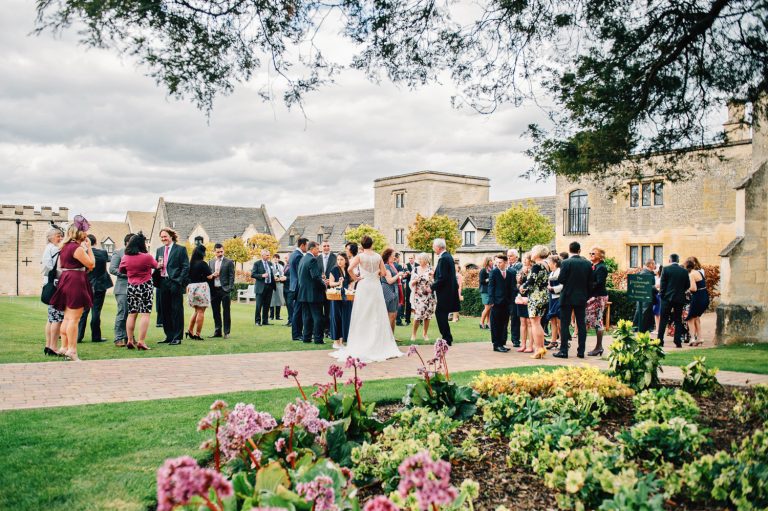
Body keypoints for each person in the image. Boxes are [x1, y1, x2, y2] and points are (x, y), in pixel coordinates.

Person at [331, 235, 403, 362]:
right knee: (377, 313)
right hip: (375, 285)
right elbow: (384, 273)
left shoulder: (360, 256)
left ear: (362, 245)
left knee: (362, 313)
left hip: (364, 285)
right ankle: (378, 343)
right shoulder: (378, 256)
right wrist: (375, 274)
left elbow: (349, 268)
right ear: (372, 244)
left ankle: (362, 341)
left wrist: (356, 278)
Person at [49, 216, 95, 361]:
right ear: (79, 234)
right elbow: (91, 264)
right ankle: (72, 350)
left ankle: (64, 347)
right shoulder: (77, 248)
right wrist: (89, 248)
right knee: (74, 319)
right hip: (76, 281)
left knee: (67, 318)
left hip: (66, 280)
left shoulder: (64, 247)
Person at [553, 241, 593, 359]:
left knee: (565, 324)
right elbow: (590, 282)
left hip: (567, 296)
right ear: (579, 250)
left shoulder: (566, 262)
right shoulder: (587, 263)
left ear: (569, 250)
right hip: (581, 297)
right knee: (581, 324)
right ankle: (581, 351)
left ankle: (564, 351)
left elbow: (561, 279)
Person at [119, 233, 157, 350]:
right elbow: (156, 266)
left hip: (131, 286)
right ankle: (141, 341)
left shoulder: (125, 257)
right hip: (145, 286)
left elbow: (122, 270)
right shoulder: (147, 257)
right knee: (145, 314)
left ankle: (130, 340)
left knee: (132, 313)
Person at [156, 227, 189, 346]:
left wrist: (179, 280)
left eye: (165, 236)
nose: (163, 238)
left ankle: (177, 337)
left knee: (177, 310)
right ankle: (169, 336)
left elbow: (186, 267)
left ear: (171, 236)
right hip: (163, 282)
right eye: (162, 237)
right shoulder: (159, 250)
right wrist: (157, 266)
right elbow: (156, 265)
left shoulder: (180, 249)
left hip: (175, 282)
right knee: (165, 310)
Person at [77, 234, 113, 343]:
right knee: (96, 311)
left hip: (87, 285)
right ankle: (96, 336)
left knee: (84, 312)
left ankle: (79, 336)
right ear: (96, 243)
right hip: (100, 285)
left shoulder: (83, 253)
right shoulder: (103, 253)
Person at [522, 246, 551, 358]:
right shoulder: (546, 265)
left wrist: (522, 287)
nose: (531, 253)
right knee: (538, 322)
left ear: (537, 254)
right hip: (544, 295)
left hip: (536, 296)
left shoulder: (537, 266)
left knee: (535, 323)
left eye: (533, 251)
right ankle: (541, 348)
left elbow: (531, 281)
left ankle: (538, 348)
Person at [430, 238, 460, 346]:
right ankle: (447, 337)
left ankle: (446, 338)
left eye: (434, 247)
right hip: (448, 291)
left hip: (444, 293)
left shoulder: (443, 258)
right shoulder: (448, 257)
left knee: (440, 313)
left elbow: (442, 278)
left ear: (438, 247)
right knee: (441, 314)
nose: (433, 249)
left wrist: (431, 287)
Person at [657, 253, 690, 348]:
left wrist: (662, 296)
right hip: (679, 298)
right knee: (678, 320)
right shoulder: (684, 271)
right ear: (678, 260)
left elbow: (662, 285)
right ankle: (677, 341)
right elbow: (687, 285)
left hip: (666, 298)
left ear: (669, 260)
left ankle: (660, 341)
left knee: (663, 320)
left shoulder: (666, 269)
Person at [41, 226, 64, 356]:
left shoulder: (48, 248)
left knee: (50, 318)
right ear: (50, 237)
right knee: (56, 318)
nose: (60, 238)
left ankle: (48, 345)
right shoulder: (55, 249)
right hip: (55, 286)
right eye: (58, 236)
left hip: (48, 284)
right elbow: (55, 269)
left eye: (61, 236)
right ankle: (53, 347)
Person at [109, 233, 135, 347]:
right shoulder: (119, 252)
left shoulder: (138, 253)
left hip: (135, 287)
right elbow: (112, 269)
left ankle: (129, 338)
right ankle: (118, 338)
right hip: (122, 288)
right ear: (127, 242)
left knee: (132, 314)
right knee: (123, 313)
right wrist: (128, 274)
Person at [298, 241, 325, 343]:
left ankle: (306, 337)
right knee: (318, 316)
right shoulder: (313, 260)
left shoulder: (303, 259)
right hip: (313, 293)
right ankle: (318, 339)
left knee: (307, 316)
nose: (319, 251)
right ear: (312, 249)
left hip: (303, 293)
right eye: (318, 249)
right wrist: (324, 284)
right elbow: (315, 277)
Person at [488, 254, 515, 352]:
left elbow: (512, 288)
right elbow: (491, 287)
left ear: (506, 262)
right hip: (496, 302)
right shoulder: (494, 272)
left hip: (507, 303)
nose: (498, 264)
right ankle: (496, 344)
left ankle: (502, 343)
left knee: (504, 323)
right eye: (497, 262)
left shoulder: (511, 273)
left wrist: (513, 301)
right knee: (496, 324)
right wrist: (491, 301)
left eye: (500, 262)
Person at [185, 245, 213, 340]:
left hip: (192, 287)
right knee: (201, 311)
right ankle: (197, 334)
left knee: (196, 310)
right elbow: (209, 276)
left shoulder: (190, 263)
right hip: (201, 287)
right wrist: (214, 274)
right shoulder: (202, 263)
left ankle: (189, 330)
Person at [586, 247, 609, 356]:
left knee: (599, 320)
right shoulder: (594, 266)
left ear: (600, 256)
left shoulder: (601, 268)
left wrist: (587, 286)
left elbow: (599, 283)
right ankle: (598, 347)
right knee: (594, 320)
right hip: (593, 296)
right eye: (590, 253)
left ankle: (599, 347)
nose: (591, 255)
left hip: (599, 297)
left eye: (593, 253)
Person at [327, 252, 354, 349]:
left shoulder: (348, 270)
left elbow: (352, 281)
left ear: (346, 260)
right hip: (336, 296)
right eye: (338, 259)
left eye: (341, 259)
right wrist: (339, 282)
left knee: (346, 318)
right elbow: (330, 283)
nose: (339, 261)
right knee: (336, 318)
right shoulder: (334, 269)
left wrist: (351, 287)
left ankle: (342, 341)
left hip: (347, 297)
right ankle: (336, 341)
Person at [208, 243, 235, 339]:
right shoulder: (210, 262)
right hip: (214, 290)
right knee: (215, 312)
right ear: (214, 252)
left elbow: (232, 276)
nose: (220, 253)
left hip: (224, 290)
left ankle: (226, 332)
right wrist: (213, 275)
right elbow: (208, 275)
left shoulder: (229, 262)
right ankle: (217, 331)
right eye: (218, 252)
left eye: (221, 251)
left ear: (223, 251)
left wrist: (229, 288)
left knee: (226, 311)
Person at [409, 252, 436, 341]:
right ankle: (413, 334)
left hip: (428, 296)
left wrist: (431, 282)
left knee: (427, 316)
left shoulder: (431, 269)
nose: (419, 261)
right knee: (417, 316)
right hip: (418, 296)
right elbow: (411, 283)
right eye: (419, 259)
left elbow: (434, 282)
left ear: (426, 260)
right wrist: (415, 281)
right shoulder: (415, 269)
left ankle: (425, 334)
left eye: (421, 259)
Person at [685, 256, 708, 346]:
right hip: (704, 296)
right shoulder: (699, 272)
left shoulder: (691, 274)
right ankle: (700, 338)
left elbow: (693, 288)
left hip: (698, 297)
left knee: (690, 318)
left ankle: (692, 338)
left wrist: (686, 289)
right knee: (696, 318)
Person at [288, 238, 308, 340]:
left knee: (297, 310)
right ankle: (297, 335)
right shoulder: (298, 256)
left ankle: (297, 334)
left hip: (293, 286)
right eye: (307, 245)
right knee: (298, 311)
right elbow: (300, 274)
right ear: (302, 245)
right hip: (298, 287)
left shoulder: (293, 254)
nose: (307, 248)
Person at [381, 248, 403, 335]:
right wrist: (398, 274)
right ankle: (387, 337)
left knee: (393, 316)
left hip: (394, 290)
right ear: (388, 255)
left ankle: (391, 337)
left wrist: (400, 275)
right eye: (393, 254)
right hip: (388, 291)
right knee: (389, 316)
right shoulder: (386, 266)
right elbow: (389, 280)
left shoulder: (392, 265)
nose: (395, 256)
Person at [633, 259, 658, 334]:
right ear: (650, 264)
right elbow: (645, 286)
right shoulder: (645, 273)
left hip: (645, 297)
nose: (655, 266)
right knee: (644, 314)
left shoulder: (647, 272)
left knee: (643, 313)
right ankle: (641, 331)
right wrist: (656, 287)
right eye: (654, 264)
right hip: (645, 298)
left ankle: (639, 329)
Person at [318, 241, 337, 336]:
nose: (326, 248)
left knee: (329, 310)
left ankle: (329, 330)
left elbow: (338, 272)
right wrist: (321, 279)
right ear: (321, 247)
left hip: (331, 288)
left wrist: (331, 280)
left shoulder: (335, 258)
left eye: (328, 246)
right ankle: (322, 329)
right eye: (324, 246)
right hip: (320, 288)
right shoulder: (317, 258)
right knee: (320, 310)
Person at [252, 249, 276, 326]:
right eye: (267, 255)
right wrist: (262, 275)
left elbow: (271, 274)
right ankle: (257, 321)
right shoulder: (257, 263)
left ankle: (265, 321)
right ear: (262, 255)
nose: (269, 256)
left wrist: (274, 278)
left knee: (267, 305)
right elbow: (253, 274)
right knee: (259, 305)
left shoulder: (270, 263)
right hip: (261, 287)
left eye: (269, 255)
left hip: (269, 287)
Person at [515, 252, 533, 353]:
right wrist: (518, 283)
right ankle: (523, 345)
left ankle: (530, 345)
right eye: (524, 259)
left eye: (526, 258)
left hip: (530, 298)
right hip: (521, 299)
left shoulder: (533, 271)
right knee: (522, 322)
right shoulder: (521, 271)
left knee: (529, 322)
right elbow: (517, 285)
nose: (524, 260)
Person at [546, 254, 563, 350]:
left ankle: (562, 340)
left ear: (555, 263)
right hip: (552, 298)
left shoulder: (560, 272)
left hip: (559, 298)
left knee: (560, 320)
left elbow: (562, 286)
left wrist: (552, 288)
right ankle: (553, 341)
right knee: (552, 319)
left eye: (550, 262)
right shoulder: (551, 273)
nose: (548, 264)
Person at [507, 249, 522, 347]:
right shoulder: (507, 266)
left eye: (511, 256)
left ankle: (515, 339)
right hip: (506, 295)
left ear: (516, 257)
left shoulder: (519, 266)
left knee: (515, 318)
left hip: (515, 295)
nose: (509, 258)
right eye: (508, 256)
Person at [270, 254, 287, 321]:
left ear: (279, 259)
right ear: (273, 259)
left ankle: (278, 316)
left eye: (277, 258)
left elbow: (283, 274)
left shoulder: (281, 266)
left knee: (279, 299)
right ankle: (271, 316)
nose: (276, 259)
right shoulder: (271, 266)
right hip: (272, 284)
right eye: (275, 258)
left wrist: (279, 278)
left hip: (279, 284)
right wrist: (273, 278)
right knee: (272, 300)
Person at [478, 256, 493, 330]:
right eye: (490, 261)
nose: (492, 262)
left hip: (490, 291)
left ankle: (488, 323)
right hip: (484, 291)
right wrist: (488, 279)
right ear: (487, 262)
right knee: (487, 307)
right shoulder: (483, 270)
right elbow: (481, 281)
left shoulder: (491, 270)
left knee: (489, 309)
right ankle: (481, 322)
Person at [404, 254, 417, 324]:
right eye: (409, 258)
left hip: (417, 286)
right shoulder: (406, 265)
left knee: (417, 301)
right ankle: (407, 320)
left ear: (414, 258)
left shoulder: (418, 265)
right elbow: (404, 277)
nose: (410, 259)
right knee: (408, 302)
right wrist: (407, 274)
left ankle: (419, 319)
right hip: (409, 286)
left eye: (411, 258)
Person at [394, 252, 406, 326]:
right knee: (399, 302)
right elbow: (402, 276)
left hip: (390, 285)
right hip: (398, 285)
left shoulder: (389, 265)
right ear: (397, 258)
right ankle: (398, 320)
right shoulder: (398, 266)